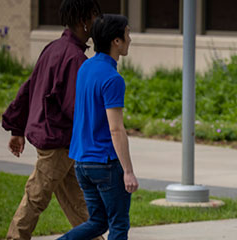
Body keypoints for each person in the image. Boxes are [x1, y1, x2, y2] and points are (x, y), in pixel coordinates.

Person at [1, 0, 99, 239]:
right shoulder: (75, 60)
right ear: (83, 21)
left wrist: (17, 128)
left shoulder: (53, 48)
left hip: (59, 141)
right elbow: (77, 109)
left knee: (78, 203)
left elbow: (29, 87)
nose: (98, 22)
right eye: (95, 16)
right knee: (36, 197)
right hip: (57, 142)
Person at [61, 14, 137, 240]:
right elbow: (116, 129)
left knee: (97, 222)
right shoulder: (113, 79)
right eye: (127, 34)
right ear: (116, 41)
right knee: (119, 224)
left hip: (82, 163)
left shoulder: (85, 68)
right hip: (105, 164)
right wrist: (129, 172)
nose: (130, 39)